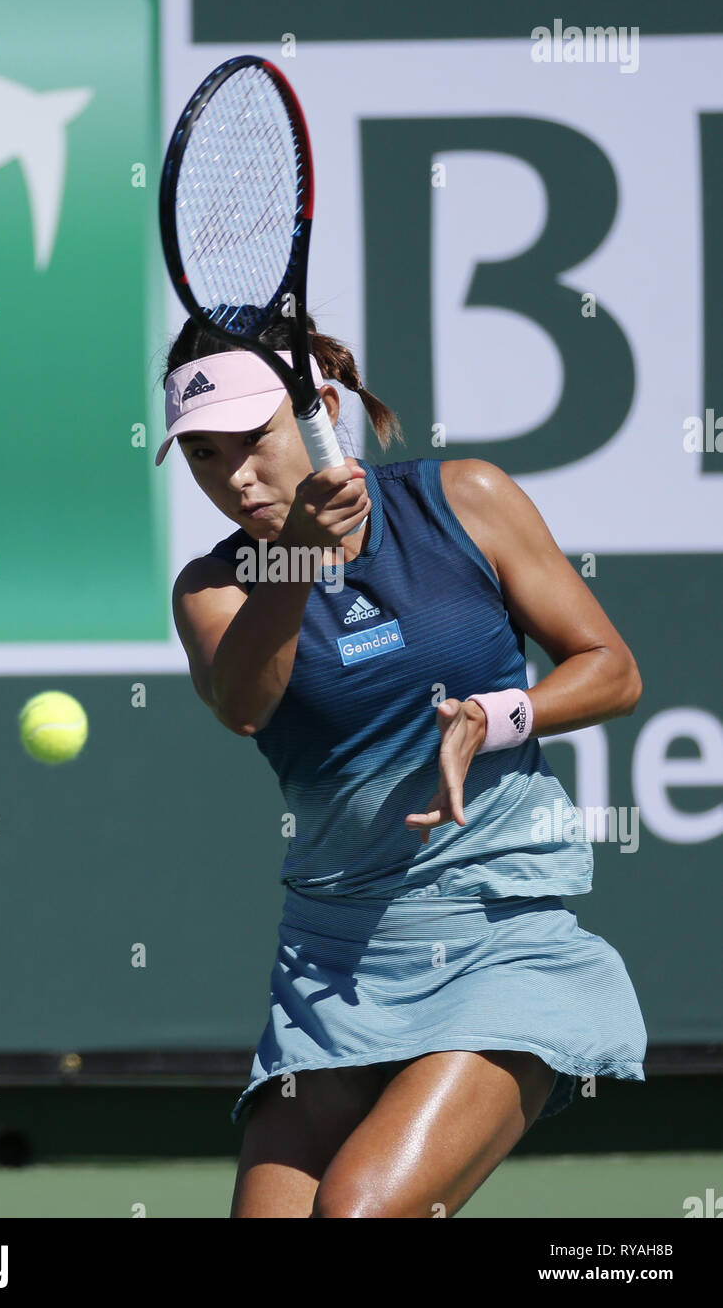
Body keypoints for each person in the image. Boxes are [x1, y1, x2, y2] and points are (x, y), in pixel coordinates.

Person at [155, 310, 648, 1219]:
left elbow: (612, 670)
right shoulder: (212, 586)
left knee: (358, 1214)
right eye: (204, 457)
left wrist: (495, 717)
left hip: (500, 938)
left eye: (251, 440)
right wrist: (299, 552)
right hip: (330, 965)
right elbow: (245, 703)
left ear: (321, 411)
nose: (235, 478)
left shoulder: (466, 497)